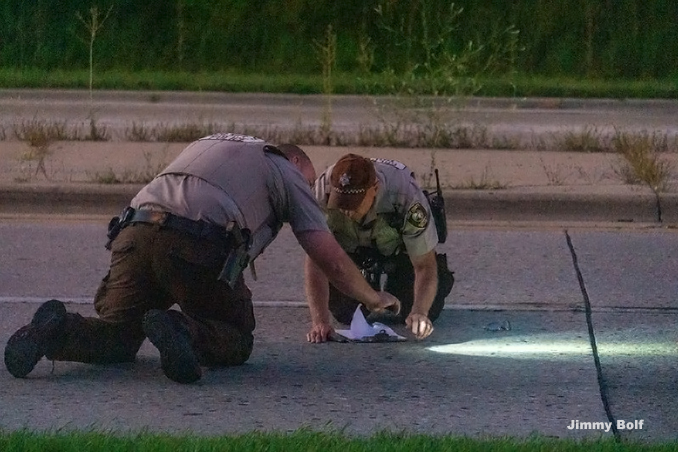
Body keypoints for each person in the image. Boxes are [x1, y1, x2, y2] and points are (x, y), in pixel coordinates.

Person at [4, 134, 400, 384]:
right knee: (236, 337)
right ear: (296, 163)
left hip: (133, 233)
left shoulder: (209, 143)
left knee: (119, 337)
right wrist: (373, 297)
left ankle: (53, 331)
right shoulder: (285, 169)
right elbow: (324, 253)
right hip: (195, 244)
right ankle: (181, 329)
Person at [305, 153, 454, 343]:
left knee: (422, 311)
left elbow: (425, 264)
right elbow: (316, 258)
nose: (347, 211)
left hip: (400, 252)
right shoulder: (320, 193)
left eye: (354, 204)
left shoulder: (406, 197)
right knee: (345, 313)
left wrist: (420, 311)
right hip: (349, 252)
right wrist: (319, 321)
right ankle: (368, 286)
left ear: (374, 189)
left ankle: (396, 283)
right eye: (340, 203)